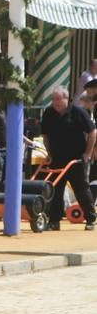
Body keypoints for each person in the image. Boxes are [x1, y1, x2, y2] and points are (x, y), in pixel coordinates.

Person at [40, 87, 96, 231]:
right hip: (57, 158)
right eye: (53, 99)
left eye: (58, 99)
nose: (55, 102)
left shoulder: (78, 112)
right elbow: (45, 135)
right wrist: (49, 153)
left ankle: (90, 218)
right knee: (55, 189)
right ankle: (54, 220)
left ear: (66, 99)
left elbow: (92, 131)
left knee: (81, 188)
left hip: (76, 158)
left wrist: (87, 153)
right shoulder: (48, 113)